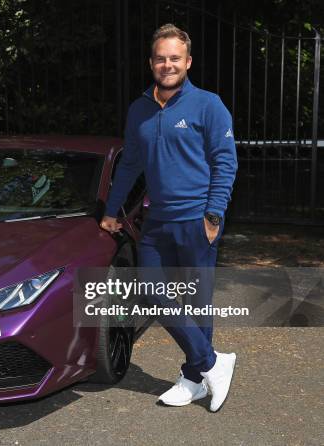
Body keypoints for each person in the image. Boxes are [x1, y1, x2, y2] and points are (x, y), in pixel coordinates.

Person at [100, 24, 238, 412]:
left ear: (188, 61)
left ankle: (194, 379)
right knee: (153, 293)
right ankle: (212, 362)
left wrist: (213, 214)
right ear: (151, 62)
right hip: (157, 220)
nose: (167, 64)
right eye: (161, 58)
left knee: (197, 303)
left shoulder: (209, 105)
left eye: (175, 58)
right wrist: (111, 211)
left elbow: (225, 162)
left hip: (198, 220)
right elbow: (130, 164)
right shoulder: (139, 109)